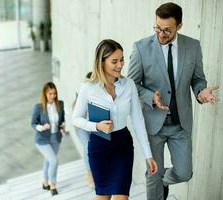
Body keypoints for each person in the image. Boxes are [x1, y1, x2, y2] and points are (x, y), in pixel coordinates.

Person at [127, 2, 219, 200]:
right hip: (153, 124)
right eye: (157, 28)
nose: (161, 33)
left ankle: (163, 181)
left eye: (167, 30)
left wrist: (201, 92)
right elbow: (131, 84)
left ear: (179, 26)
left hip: (180, 125)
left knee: (185, 173)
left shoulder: (192, 46)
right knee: (153, 173)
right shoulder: (141, 48)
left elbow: (197, 79)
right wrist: (152, 97)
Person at [72, 39, 158, 200]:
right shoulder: (88, 88)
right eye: (114, 61)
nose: (120, 65)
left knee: (122, 197)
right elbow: (75, 119)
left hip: (123, 146)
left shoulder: (129, 85)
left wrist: (148, 155)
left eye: (122, 59)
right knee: (103, 198)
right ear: (102, 62)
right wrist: (96, 126)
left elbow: (138, 121)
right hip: (99, 146)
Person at [31, 82, 66, 196]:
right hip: (42, 140)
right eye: (50, 94)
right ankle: (53, 185)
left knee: (48, 161)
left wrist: (62, 127)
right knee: (54, 161)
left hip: (56, 137)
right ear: (45, 94)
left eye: (54, 93)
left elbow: (62, 119)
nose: (53, 96)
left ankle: (45, 182)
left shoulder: (60, 104)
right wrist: (42, 127)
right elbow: (33, 123)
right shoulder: (39, 107)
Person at [72, 72, 94, 188]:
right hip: (81, 126)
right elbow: (76, 114)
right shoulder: (82, 92)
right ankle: (89, 173)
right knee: (87, 147)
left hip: (93, 125)